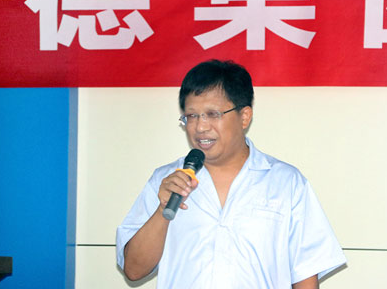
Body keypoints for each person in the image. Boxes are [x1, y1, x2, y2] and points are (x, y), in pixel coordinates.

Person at [116, 59, 346, 288]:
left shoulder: (286, 182)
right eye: (192, 116)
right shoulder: (166, 181)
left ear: (244, 117)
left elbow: (305, 274)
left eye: (212, 114)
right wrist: (162, 210)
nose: (200, 127)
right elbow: (134, 270)